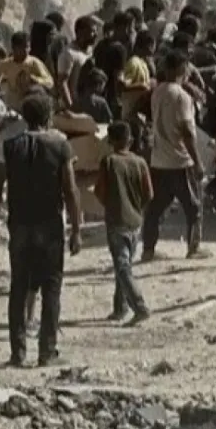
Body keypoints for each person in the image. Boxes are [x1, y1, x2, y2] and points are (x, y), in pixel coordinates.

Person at [0, 94, 81, 367]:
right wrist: (76, 229)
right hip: (50, 225)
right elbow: (70, 191)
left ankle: (18, 353)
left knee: (19, 287)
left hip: (20, 225)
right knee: (51, 288)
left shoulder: (9, 146)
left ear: (24, 117)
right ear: (49, 117)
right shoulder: (60, 145)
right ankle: (47, 352)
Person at [141, 51, 206, 261]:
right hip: (180, 161)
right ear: (182, 69)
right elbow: (187, 131)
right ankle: (194, 247)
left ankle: (148, 249)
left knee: (155, 208)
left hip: (159, 160)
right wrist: (197, 161)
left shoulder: (157, 91)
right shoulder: (181, 96)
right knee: (194, 206)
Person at [93, 121, 153, 326]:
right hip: (136, 221)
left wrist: (112, 204)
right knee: (125, 266)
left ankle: (139, 306)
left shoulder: (108, 162)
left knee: (122, 266)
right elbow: (149, 194)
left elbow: (100, 191)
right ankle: (120, 308)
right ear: (131, 140)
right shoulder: (140, 162)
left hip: (116, 220)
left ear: (110, 141)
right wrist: (136, 208)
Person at [0, 32, 54, 112]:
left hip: (30, 104)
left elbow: (50, 82)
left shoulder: (34, 63)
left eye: (28, 47)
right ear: (14, 48)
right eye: (22, 47)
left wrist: (37, 80)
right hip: (12, 104)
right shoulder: (5, 64)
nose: (26, 50)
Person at [56, 15, 96, 110]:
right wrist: (70, 105)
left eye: (95, 31)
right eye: (92, 31)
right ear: (80, 32)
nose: (95, 34)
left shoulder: (91, 51)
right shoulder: (69, 54)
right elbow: (62, 83)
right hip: (76, 105)